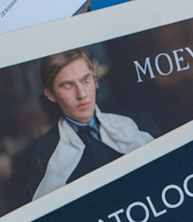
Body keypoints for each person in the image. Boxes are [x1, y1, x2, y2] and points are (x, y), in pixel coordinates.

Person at [16, 49, 153, 202]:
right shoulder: (41, 154)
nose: (82, 94)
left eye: (86, 80)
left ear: (95, 80)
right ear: (51, 95)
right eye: (68, 85)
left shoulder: (134, 122)